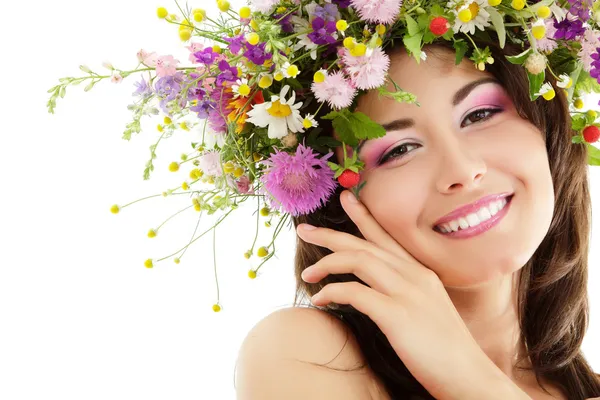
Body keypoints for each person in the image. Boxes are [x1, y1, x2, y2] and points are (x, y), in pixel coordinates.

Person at [234, 38, 600, 399]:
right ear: (338, 209)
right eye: (399, 150)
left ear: (547, 130)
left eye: (480, 114)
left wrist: (466, 374)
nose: (462, 169)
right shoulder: (309, 355)